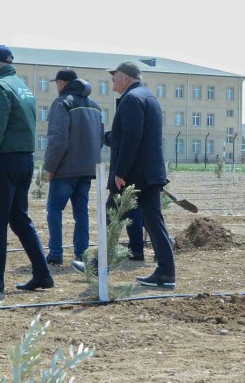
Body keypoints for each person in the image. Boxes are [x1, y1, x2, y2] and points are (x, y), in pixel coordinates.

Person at [0, 45, 53, 292]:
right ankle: (42, 273)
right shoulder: (22, 87)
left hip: (3, 161)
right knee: (19, 218)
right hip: (25, 160)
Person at [104, 61, 175, 288]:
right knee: (154, 222)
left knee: (111, 212)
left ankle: (97, 262)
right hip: (149, 172)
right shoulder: (148, 97)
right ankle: (166, 273)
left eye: (115, 77)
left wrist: (120, 171)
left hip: (134, 174)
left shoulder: (132, 99)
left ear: (126, 78)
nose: (112, 82)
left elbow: (131, 137)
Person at [42, 68, 104, 266]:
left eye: (57, 83)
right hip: (87, 169)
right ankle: (81, 253)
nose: (56, 86)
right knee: (81, 212)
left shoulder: (61, 103)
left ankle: (56, 253)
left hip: (65, 169)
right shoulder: (95, 106)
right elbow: (100, 139)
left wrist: (50, 167)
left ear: (63, 83)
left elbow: (58, 140)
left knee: (54, 209)